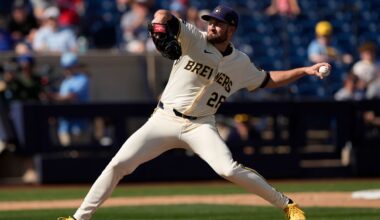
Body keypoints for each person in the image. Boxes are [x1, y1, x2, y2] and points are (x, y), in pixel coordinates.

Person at [58, 5, 331, 220]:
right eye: (210, 21)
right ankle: (79, 218)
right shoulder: (193, 38)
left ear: (231, 29)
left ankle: (287, 205)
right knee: (118, 164)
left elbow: (268, 78)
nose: (212, 26)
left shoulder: (240, 62)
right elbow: (163, 15)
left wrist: (304, 70)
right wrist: (158, 30)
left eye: (218, 23)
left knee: (228, 168)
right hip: (163, 119)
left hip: (200, 125)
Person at [48, 52, 90, 146]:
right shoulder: (65, 82)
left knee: (80, 155)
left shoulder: (82, 79)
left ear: (75, 66)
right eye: (65, 67)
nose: (67, 70)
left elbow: (70, 96)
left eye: (70, 67)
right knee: (66, 154)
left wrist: (51, 96)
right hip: (64, 125)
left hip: (79, 125)